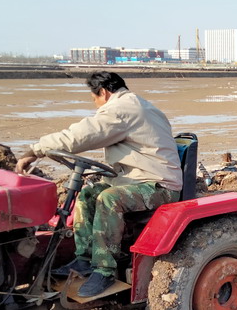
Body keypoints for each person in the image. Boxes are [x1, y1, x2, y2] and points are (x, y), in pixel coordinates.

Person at [16, 71, 183, 297]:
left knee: (109, 198)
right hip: (137, 178)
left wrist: (36, 150)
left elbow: (82, 135)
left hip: (158, 185)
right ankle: (84, 258)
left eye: (94, 98)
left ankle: (104, 270)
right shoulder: (136, 105)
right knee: (88, 194)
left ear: (103, 92)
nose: (95, 105)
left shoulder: (123, 108)